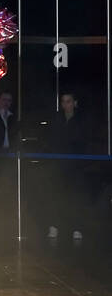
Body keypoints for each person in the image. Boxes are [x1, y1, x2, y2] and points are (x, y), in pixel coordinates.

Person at [44, 91, 90, 245]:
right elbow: (52, 138)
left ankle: (77, 228)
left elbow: (82, 140)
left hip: (76, 165)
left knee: (76, 197)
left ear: (75, 102)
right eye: (63, 101)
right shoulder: (57, 118)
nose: (66, 105)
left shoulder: (82, 119)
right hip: (59, 164)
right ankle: (55, 225)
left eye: (68, 101)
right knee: (57, 195)